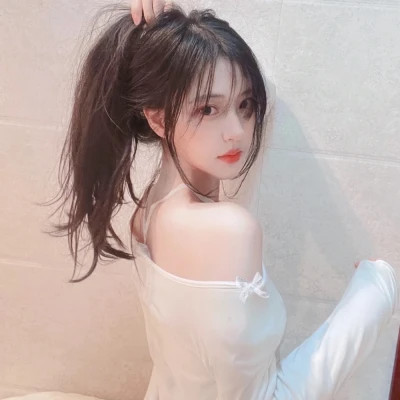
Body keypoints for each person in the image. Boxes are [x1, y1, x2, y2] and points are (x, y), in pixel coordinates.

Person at [47, 1, 399, 398]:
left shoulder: (149, 210)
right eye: (208, 109)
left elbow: (258, 94)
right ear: (157, 118)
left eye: (245, 105)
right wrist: (375, 293)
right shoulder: (228, 230)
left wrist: (173, 37)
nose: (237, 131)